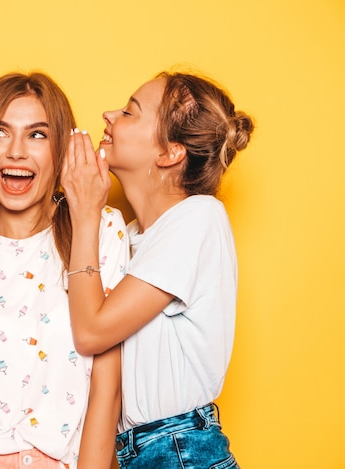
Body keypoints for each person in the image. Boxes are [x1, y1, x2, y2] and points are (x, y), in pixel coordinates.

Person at [0, 72, 129, 469]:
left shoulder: (101, 228)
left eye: (37, 135)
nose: (16, 151)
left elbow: (107, 388)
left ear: (61, 150)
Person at [61, 71, 254, 469]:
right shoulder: (128, 237)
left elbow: (92, 331)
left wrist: (84, 214)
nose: (109, 114)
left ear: (170, 153)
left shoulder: (198, 218)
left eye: (130, 112)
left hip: (179, 450)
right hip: (142, 452)